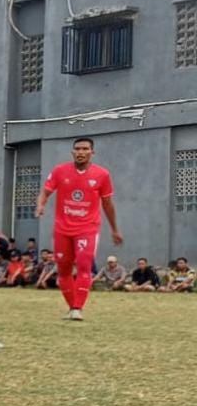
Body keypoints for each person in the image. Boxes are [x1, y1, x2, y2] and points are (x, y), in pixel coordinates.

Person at [35, 137, 123, 321]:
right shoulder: (60, 170)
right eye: (77, 149)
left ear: (92, 152)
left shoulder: (102, 175)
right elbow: (45, 191)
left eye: (85, 149)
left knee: (84, 265)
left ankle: (77, 308)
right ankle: (71, 306)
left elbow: (108, 204)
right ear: (72, 152)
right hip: (62, 229)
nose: (81, 152)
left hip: (87, 228)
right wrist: (41, 205)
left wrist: (114, 229)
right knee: (64, 270)